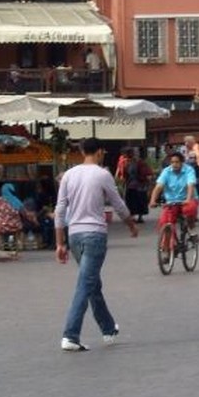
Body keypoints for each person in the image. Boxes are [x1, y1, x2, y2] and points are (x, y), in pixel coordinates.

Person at [55, 137, 138, 352]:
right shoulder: (103, 174)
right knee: (86, 284)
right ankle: (70, 335)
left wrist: (60, 243)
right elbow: (118, 203)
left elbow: (60, 209)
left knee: (90, 282)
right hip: (94, 235)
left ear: (82, 151)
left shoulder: (69, 175)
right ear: (100, 152)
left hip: (74, 236)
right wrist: (131, 224)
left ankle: (108, 328)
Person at [149, 151, 199, 249]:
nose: (174, 164)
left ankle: (192, 230)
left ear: (182, 162)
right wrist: (152, 200)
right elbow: (159, 187)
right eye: (172, 162)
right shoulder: (166, 172)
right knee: (165, 222)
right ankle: (168, 248)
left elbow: (190, 185)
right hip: (171, 202)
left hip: (186, 200)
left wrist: (188, 199)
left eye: (177, 162)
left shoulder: (189, 170)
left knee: (189, 210)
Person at [120, 147, 153, 222]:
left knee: (140, 201)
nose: (128, 156)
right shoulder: (126, 163)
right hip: (130, 185)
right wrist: (124, 183)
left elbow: (146, 173)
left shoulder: (140, 162)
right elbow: (125, 175)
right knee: (130, 201)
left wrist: (148, 183)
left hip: (139, 185)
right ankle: (132, 216)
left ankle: (140, 217)